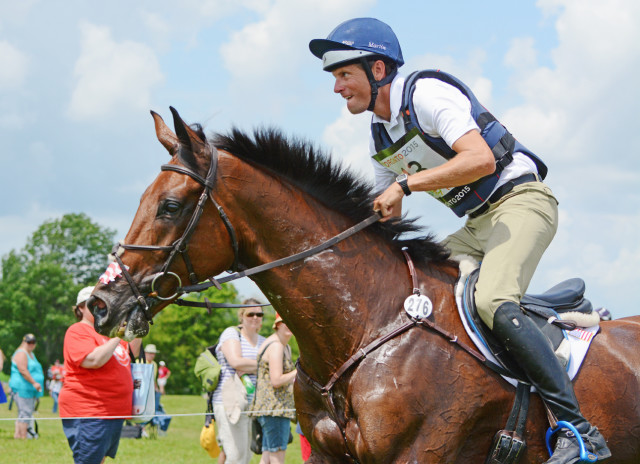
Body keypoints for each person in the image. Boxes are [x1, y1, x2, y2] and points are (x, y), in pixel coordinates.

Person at [309, 18, 611, 464]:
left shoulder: (425, 94)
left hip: (521, 202)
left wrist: (407, 187)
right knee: (418, 292)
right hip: (476, 224)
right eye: (334, 78)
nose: (336, 88)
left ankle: (579, 430)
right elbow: (379, 207)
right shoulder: (382, 130)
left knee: (491, 301)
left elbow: (480, 157)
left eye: (343, 75)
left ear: (377, 70)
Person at [59, 286, 142, 464]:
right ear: (80, 308)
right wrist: (118, 334)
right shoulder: (78, 331)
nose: (100, 307)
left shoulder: (106, 335)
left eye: (104, 303)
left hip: (111, 412)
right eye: (94, 303)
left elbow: (131, 353)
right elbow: (93, 360)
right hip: (90, 411)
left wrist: (137, 320)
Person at [212, 298, 266, 464]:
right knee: (236, 456)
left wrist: (250, 365)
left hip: (254, 404)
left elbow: (273, 369)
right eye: (250, 313)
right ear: (241, 315)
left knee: (246, 455)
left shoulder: (264, 341)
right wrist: (264, 365)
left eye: (259, 314)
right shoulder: (231, 333)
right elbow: (235, 361)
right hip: (231, 401)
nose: (255, 317)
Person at [250, 314, 297, 464]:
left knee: (267, 456)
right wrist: (299, 371)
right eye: (284, 322)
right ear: (277, 325)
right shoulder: (276, 346)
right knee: (277, 456)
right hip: (275, 409)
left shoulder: (284, 346)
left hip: (271, 409)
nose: (288, 325)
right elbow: (276, 380)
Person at [9, 333, 44, 439]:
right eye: (29, 342)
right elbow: (23, 370)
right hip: (22, 388)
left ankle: (19, 436)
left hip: (29, 390)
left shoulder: (30, 354)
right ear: (24, 342)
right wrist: (34, 382)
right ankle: (23, 437)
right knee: (25, 412)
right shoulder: (21, 353)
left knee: (25, 413)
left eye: (33, 342)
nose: (31, 344)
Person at [143, 344, 171, 435]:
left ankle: (157, 425)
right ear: (145, 353)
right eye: (150, 353)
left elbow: (153, 378)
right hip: (143, 391)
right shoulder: (141, 361)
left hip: (152, 391)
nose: (152, 355)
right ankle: (141, 428)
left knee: (155, 408)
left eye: (153, 353)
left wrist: (157, 388)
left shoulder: (154, 364)